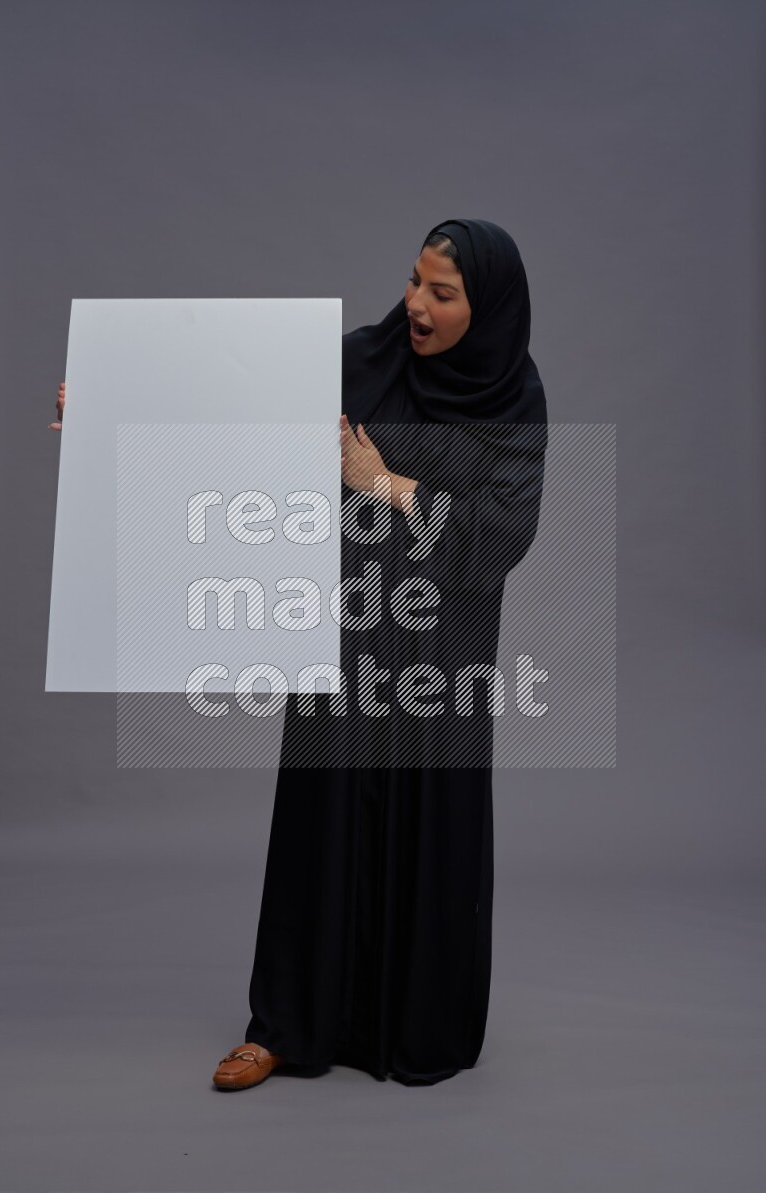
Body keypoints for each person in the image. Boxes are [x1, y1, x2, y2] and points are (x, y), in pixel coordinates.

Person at [49, 217, 548, 1091]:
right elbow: (236, 417)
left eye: (442, 292)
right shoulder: (362, 361)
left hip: (442, 655)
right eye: (413, 281)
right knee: (320, 822)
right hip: (344, 631)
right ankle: (284, 1024)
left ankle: (417, 1027)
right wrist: (103, 415)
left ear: (489, 305)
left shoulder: (515, 397)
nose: (416, 304)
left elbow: (502, 534)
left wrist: (385, 484)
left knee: (433, 829)